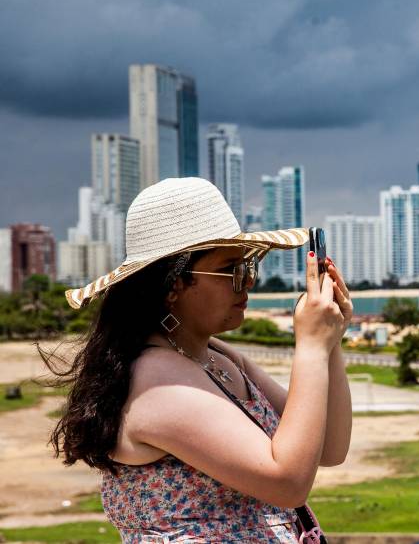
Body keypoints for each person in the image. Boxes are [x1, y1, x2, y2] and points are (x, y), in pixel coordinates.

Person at [41, 177, 353, 543]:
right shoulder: (157, 380)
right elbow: (288, 483)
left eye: (247, 267)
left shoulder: (216, 358)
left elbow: (330, 447)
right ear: (174, 284)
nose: (247, 282)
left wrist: (330, 342)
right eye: (231, 269)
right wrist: (311, 346)